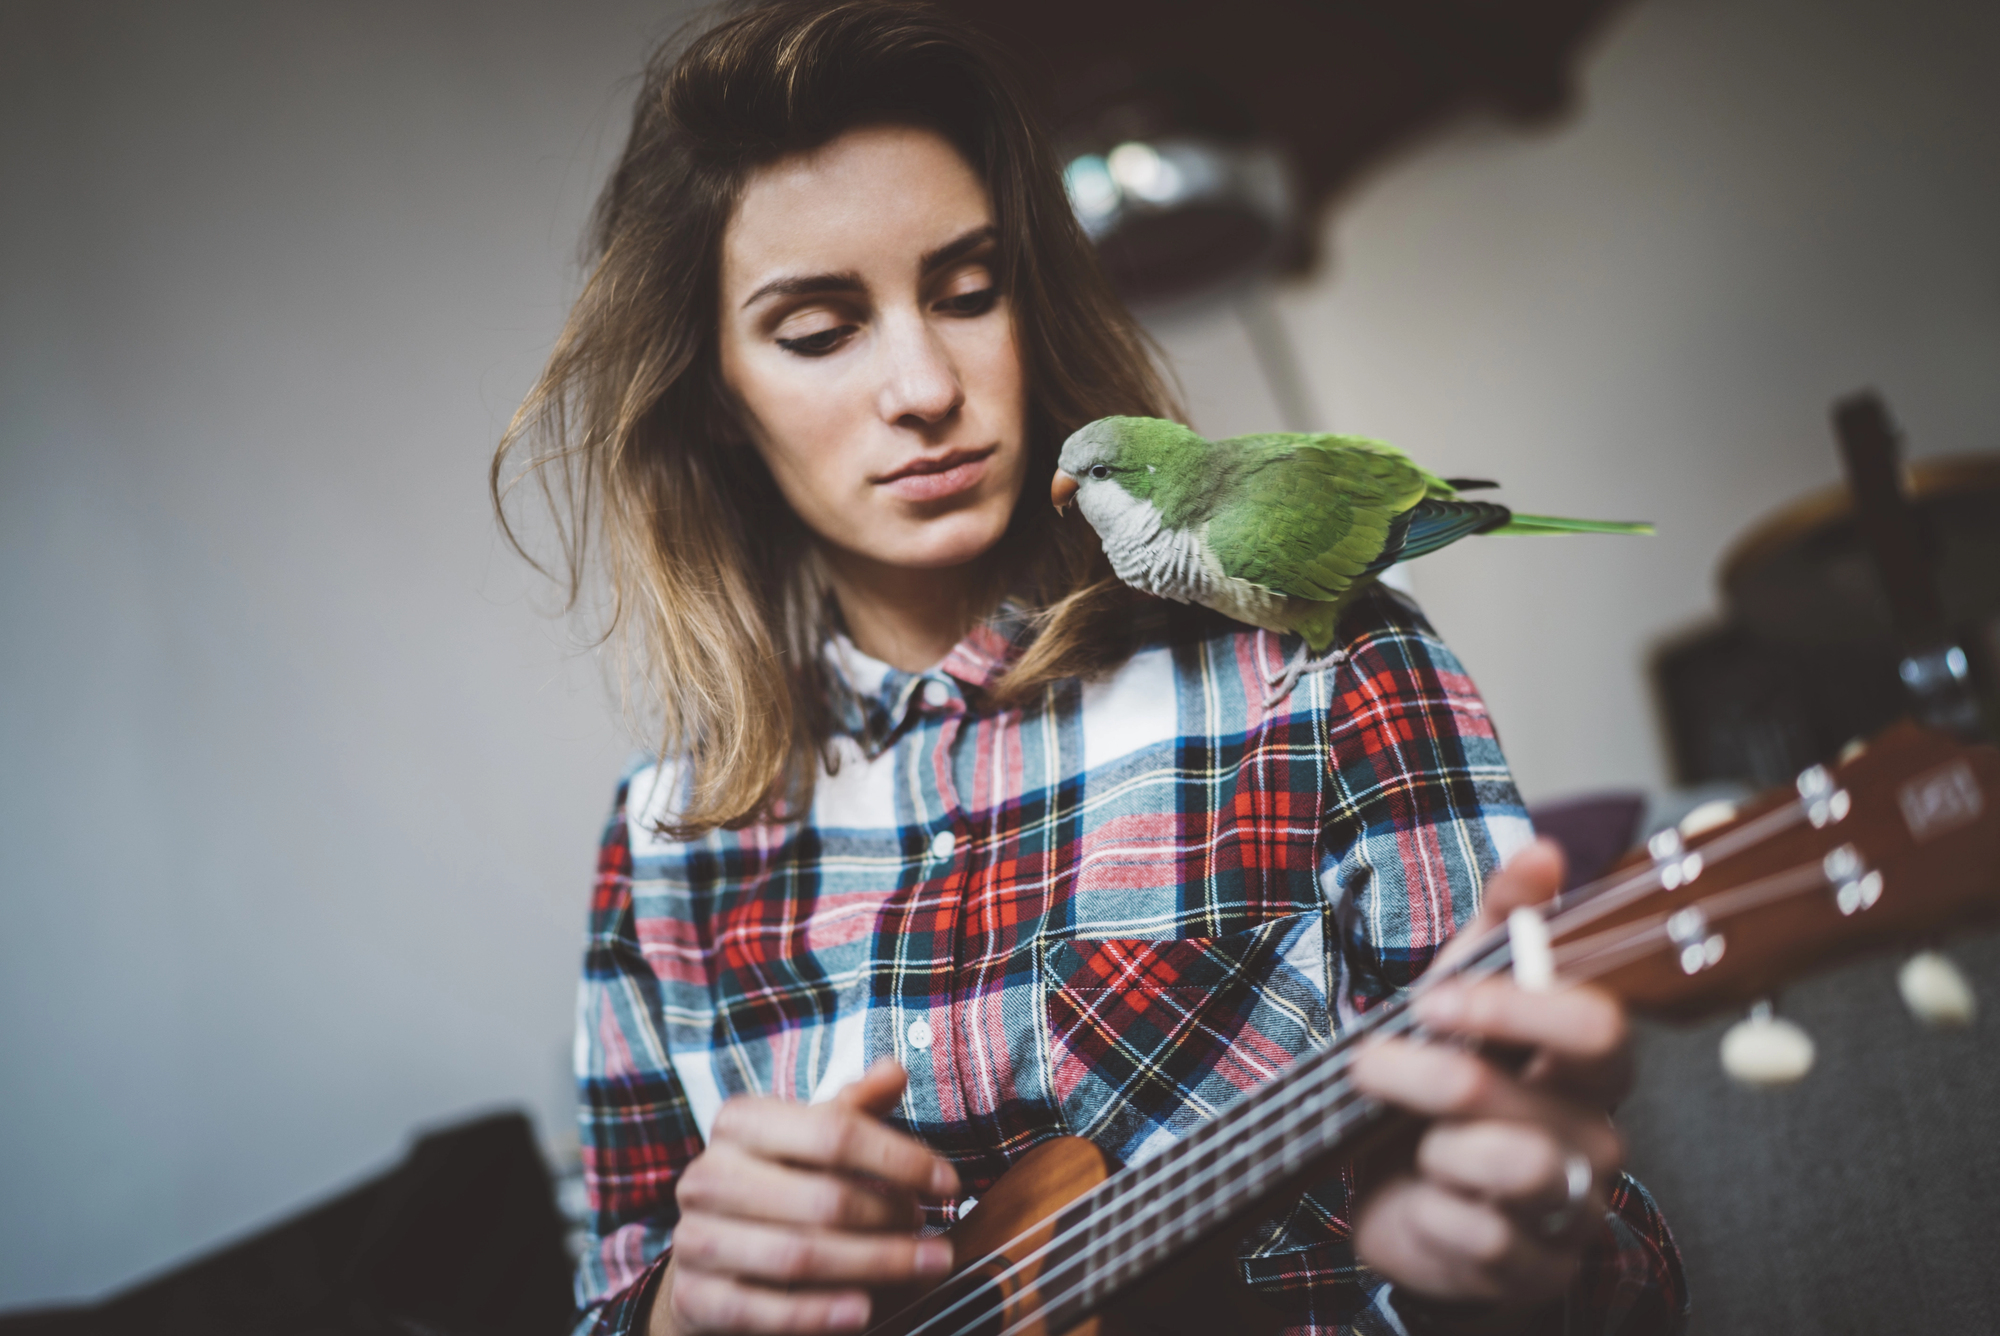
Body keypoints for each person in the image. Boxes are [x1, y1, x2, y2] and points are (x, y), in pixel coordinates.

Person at [494, 3, 1688, 1333]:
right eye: (819, 329)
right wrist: (676, 1314)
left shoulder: (1322, 663)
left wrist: (1498, 1270)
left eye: (967, 291)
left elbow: (1611, 1262)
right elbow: (611, 1307)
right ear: (720, 390)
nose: (924, 385)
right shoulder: (661, 847)